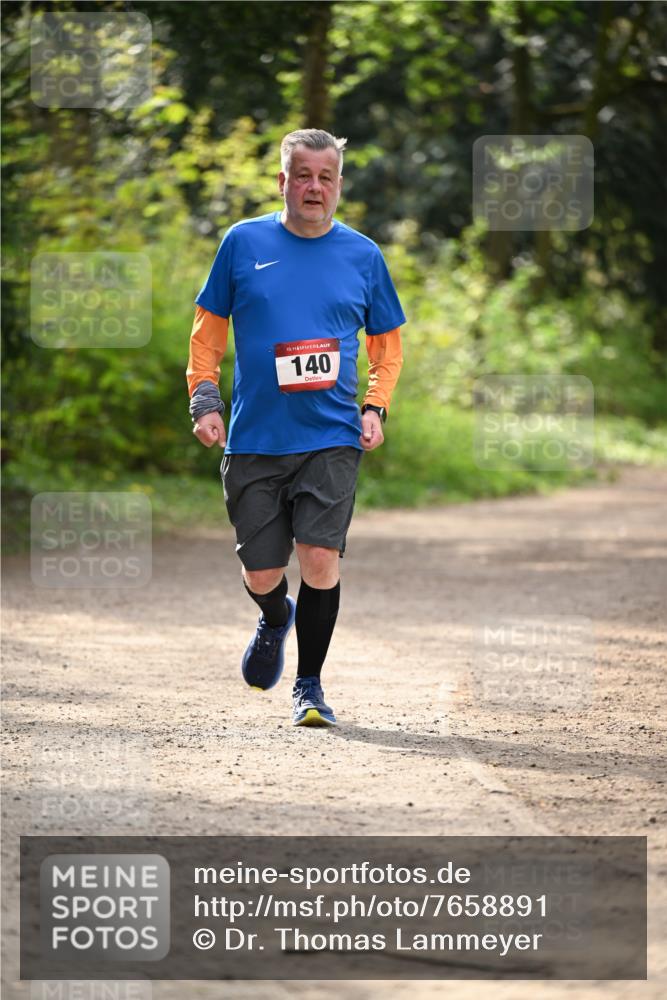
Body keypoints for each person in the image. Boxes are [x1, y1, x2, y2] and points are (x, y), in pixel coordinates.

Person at [186, 128, 405, 727]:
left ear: (338, 184)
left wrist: (374, 406)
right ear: (283, 181)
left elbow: (388, 348)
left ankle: (309, 687)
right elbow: (206, 333)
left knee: (319, 558)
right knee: (261, 572)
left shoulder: (363, 255)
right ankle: (274, 616)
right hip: (255, 434)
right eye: (302, 176)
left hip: (331, 435)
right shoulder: (242, 242)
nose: (314, 188)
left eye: (325, 177)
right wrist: (204, 399)